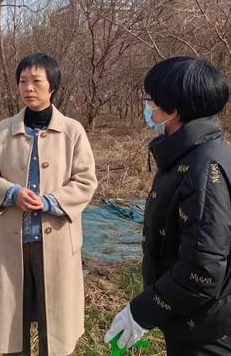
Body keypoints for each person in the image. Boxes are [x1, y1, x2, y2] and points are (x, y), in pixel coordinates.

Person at [105, 57, 231, 356]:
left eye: (150, 101)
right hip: (193, 320)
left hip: (206, 333)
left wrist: (143, 311)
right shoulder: (194, 154)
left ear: (173, 110)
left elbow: (203, 270)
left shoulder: (203, 169)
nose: (147, 108)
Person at [0, 53, 97, 356]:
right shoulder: (4, 130)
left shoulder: (72, 131)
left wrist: (50, 201)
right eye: (23, 81)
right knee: (12, 325)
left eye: (36, 81)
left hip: (55, 245)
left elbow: (86, 181)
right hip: (13, 243)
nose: (28, 88)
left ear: (52, 86)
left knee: (54, 324)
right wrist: (13, 193)